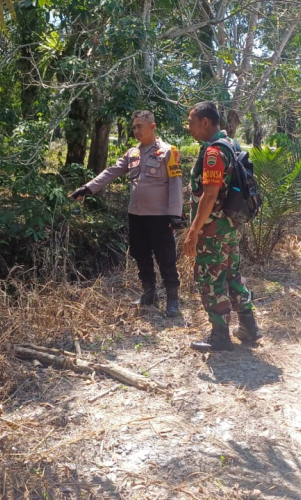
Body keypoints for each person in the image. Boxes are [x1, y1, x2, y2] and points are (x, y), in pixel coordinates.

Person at [69, 110, 184, 317]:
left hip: (159, 217)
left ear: (153, 127)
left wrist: (175, 214)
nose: (136, 130)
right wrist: (88, 188)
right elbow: (111, 171)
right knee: (141, 255)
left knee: (165, 257)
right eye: (134, 127)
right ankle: (149, 293)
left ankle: (173, 299)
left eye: (140, 126)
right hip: (136, 215)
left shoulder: (168, 151)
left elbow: (176, 184)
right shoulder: (132, 153)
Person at [183, 101, 261, 351]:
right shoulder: (231, 144)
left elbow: (209, 195)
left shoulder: (214, 152)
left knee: (211, 279)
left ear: (205, 122)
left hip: (213, 230)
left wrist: (193, 232)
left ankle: (219, 336)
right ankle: (249, 327)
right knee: (232, 274)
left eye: (191, 122)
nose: (189, 128)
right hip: (231, 227)